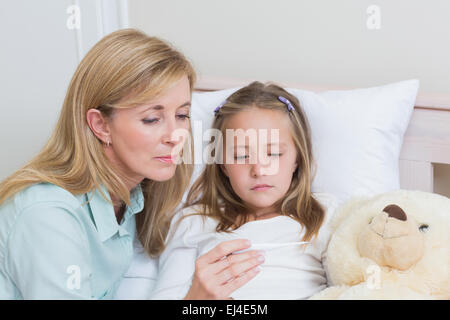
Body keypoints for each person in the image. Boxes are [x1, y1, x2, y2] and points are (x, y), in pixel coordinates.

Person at [0, 29, 261, 299]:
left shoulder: (127, 198)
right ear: (100, 125)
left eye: (182, 115)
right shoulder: (48, 216)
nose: (176, 136)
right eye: (152, 119)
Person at [151, 81, 339, 300]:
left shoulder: (324, 214)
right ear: (222, 164)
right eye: (241, 156)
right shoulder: (194, 222)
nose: (259, 170)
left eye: (274, 153)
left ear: (297, 159)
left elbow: (349, 289)